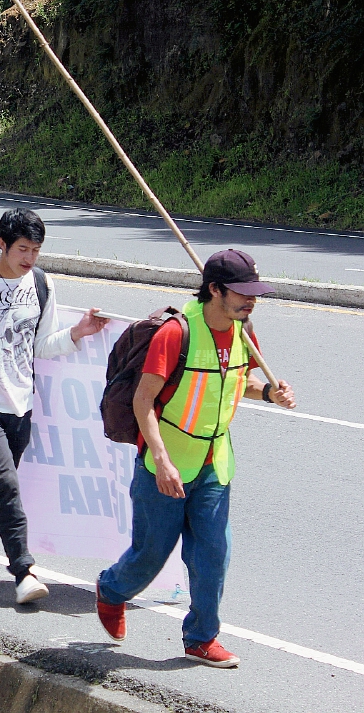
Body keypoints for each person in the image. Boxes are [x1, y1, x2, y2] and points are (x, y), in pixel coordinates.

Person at [95, 249, 296, 668]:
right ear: (215, 290)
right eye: (242, 292)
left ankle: (201, 637)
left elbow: (242, 380)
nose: (251, 300)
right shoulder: (175, 334)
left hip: (214, 464)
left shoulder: (244, 331)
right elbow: (143, 400)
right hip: (164, 466)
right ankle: (112, 590)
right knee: (150, 556)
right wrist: (163, 461)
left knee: (213, 554)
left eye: (254, 292)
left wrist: (269, 394)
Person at [0, 207, 108, 604]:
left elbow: (41, 345)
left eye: (36, 250)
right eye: (22, 249)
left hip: (21, 404)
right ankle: (23, 569)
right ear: (2, 245)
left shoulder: (42, 284)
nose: (29, 258)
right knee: (7, 482)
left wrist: (77, 333)